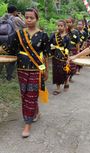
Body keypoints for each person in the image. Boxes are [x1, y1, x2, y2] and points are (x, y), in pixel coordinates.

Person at [0, 8, 50, 138]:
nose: (28, 20)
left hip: (36, 70)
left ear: (36, 19)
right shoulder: (18, 34)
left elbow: (46, 55)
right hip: (22, 69)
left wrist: (46, 70)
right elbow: (7, 48)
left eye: (31, 18)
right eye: (26, 17)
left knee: (32, 95)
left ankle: (27, 124)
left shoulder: (43, 35)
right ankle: (36, 111)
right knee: (24, 95)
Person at [0, 5, 26, 81]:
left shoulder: (1, 18)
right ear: (15, 11)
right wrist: (21, 17)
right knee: (13, 57)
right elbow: (25, 26)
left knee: (1, 56)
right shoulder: (16, 19)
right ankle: (9, 76)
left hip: (1, 41)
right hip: (12, 41)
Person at [50, 20, 71, 94]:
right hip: (55, 56)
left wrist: (68, 58)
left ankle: (66, 81)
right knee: (56, 72)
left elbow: (68, 48)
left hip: (63, 57)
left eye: (61, 26)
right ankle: (58, 88)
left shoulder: (67, 37)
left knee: (64, 71)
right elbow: (49, 43)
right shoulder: (54, 35)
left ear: (65, 27)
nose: (59, 27)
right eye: (58, 26)